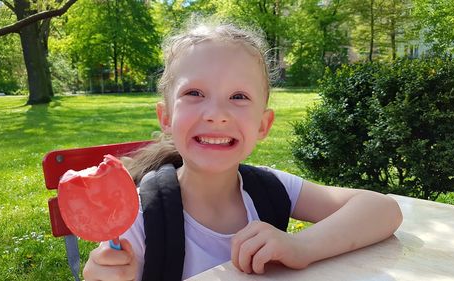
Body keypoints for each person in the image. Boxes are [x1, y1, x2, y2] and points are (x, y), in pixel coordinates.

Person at [82, 19, 403, 281]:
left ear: (263, 125)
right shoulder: (137, 218)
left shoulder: (272, 188)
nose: (216, 113)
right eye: (194, 93)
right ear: (166, 117)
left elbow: (382, 210)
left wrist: (300, 247)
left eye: (239, 97)